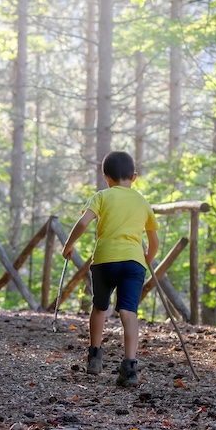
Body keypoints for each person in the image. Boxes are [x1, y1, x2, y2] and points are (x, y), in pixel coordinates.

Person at [62, 151, 159, 387]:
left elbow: (84, 222)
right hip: (133, 262)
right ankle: (130, 367)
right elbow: (154, 241)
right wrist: (147, 257)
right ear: (134, 177)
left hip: (105, 260)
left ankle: (94, 357)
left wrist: (69, 245)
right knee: (128, 312)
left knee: (99, 307)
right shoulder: (142, 201)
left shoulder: (102, 196)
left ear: (106, 177)